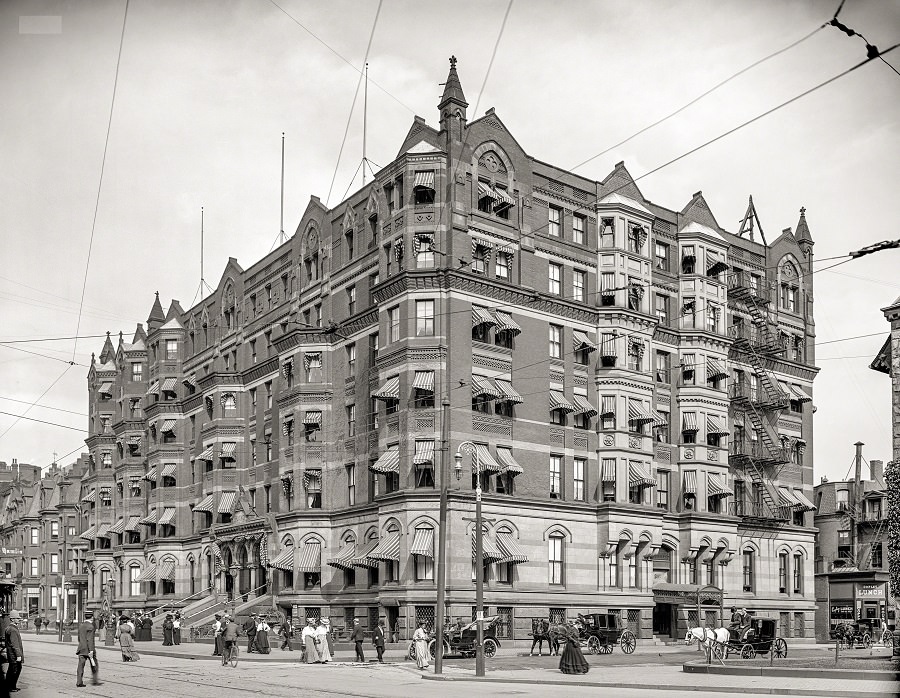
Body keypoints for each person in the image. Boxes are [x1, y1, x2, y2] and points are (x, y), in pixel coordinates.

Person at [76, 611, 102, 687]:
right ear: (92, 617)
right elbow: (90, 639)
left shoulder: (81, 626)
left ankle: (79, 682)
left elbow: (79, 638)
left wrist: (81, 645)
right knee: (94, 665)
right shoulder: (90, 627)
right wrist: (91, 650)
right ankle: (95, 680)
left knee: (80, 666)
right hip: (89, 649)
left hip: (81, 648)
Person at [4, 611, 24, 692]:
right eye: (17, 618)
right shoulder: (13, 630)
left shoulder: (9, 628)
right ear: (12, 619)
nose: (19, 619)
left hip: (11, 654)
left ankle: (9, 686)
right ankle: (11, 687)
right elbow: (15, 644)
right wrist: (19, 655)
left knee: (12, 670)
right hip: (14, 655)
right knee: (15, 670)